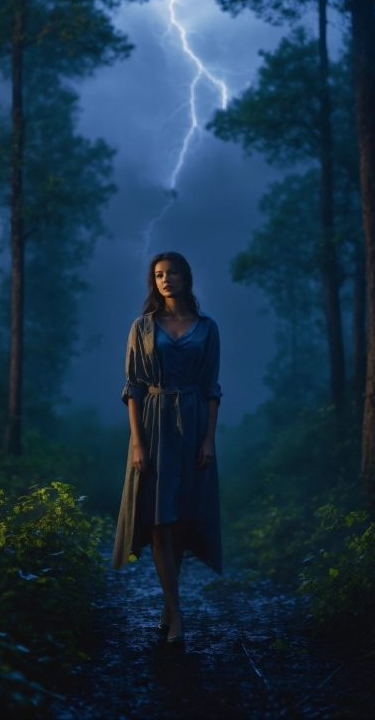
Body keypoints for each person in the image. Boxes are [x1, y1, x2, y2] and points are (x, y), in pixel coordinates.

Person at [112, 251, 222, 644]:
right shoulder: (141, 327)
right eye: (158, 274)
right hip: (153, 425)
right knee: (159, 523)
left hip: (193, 424)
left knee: (179, 524)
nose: (165, 279)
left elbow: (211, 388)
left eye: (172, 272)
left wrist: (208, 438)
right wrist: (138, 443)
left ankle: (168, 604)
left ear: (186, 277)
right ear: (153, 282)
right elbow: (133, 389)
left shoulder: (207, 328)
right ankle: (175, 614)